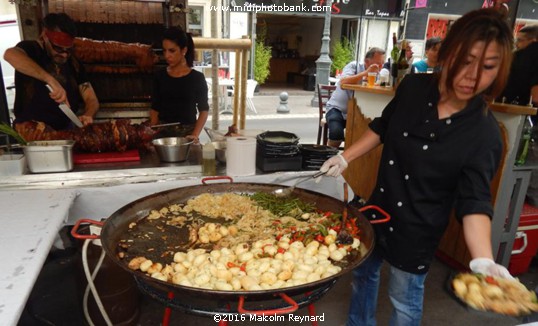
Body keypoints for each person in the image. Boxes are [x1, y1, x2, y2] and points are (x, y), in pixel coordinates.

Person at [319, 8, 514, 325]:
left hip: (419, 228)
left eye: (488, 67)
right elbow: (383, 126)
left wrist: (482, 259)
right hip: (377, 209)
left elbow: (475, 201)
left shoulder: (484, 133)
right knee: (363, 277)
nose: (472, 76)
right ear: (446, 53)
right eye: (465, 60)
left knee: (404, 300)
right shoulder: (413, 88)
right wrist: (345, 157)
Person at [4, 13, 99, 130]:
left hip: (65, 129)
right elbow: (10, 55)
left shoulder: (74, 64)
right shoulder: (31, 50)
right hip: (31, 129)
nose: (64, 54)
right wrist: (51, 80)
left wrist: (88, 114)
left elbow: (91, 98)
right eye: (58, 48)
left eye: (68, 50)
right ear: (44, 36)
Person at [150, 26, 208, 142]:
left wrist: (195, 135)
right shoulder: (159, 76)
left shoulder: (197, 78)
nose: (167, 56)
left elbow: (204, 110)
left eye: (172, 51)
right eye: (164, 50)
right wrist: (151, 134)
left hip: (187, 136)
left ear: (184, 50)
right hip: (162, 135)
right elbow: (155, 108)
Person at [325, 47, 386, 148]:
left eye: (382, 64)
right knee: (336, 134)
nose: (380, 67)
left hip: (359, 113)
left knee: (369, 134)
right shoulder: (354, 65)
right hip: (337, 109)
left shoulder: (378, 75)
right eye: (378, 63)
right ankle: (329, 157)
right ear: (367, 61)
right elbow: (343, 82)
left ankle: (353, 161)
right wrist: (366, 73)